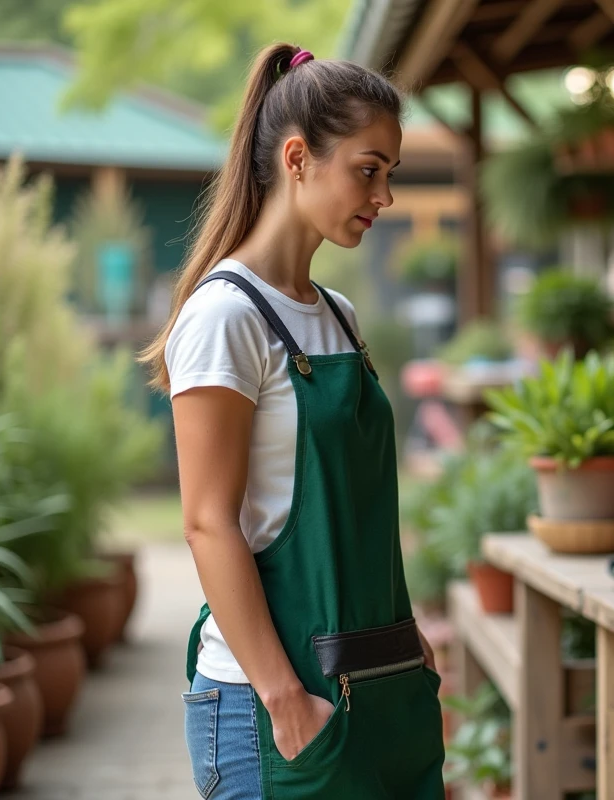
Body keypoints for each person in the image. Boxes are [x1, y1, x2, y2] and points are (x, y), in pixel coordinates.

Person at [140, 43, 444, 799]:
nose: (384, 196)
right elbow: (209, 524)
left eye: (390, 175)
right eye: (368, 170)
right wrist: (282, 698)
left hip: (377, 688)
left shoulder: (337, 316)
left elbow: (355, 509)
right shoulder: (225, 317)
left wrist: (409, 646)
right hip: (274, 708)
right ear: (299, 157)